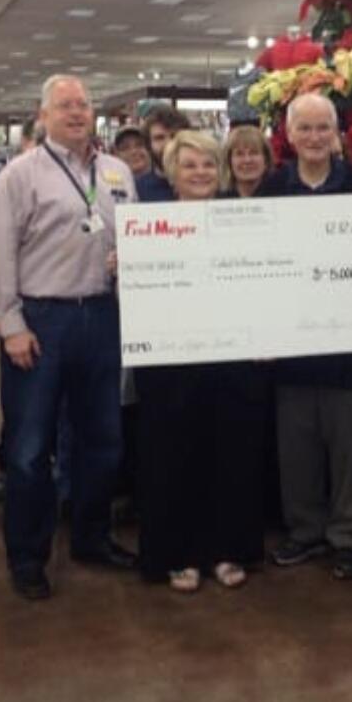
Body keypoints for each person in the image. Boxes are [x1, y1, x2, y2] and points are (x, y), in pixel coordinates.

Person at [0, 74, 138, 600]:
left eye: (84, 104)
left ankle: (91, 538)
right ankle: (27, 556)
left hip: (102, 315)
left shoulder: (116, 172)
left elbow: (133, 232)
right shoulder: (20, 176)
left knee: (103, 440)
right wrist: (11, 325)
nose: (76, 113)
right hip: (41, 321)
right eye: (64, 106)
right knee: (30, 449)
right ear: (42, 115)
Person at [259, 92, 352, 580]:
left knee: (347, 448)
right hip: (291, 348)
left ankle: (344, 536)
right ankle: (304, 531)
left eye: (324, 128)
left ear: (336, 133)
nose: (315, 138)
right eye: (306, 129)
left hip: (348, 347)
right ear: (290, 135)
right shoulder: (273, 190)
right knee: (296, 448)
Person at [130, 131, 267, 592]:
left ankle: (228, 550)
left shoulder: (245, 219)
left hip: (233, 358)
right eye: (190, 165)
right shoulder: (148, 227)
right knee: (172, 457)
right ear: (172, 172)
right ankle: (178, 553)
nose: (201, 173)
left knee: (232, 455)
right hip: (170, 365)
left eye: (208, 164)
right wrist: (124, 266)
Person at [135, 104, 191, 203]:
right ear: (149, 145)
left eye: (174, 136)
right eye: (159, 138)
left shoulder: (203, 183)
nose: (169, 144)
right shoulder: (137, 189)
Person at [219, 124, 272, 199]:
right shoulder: (219, 200)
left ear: (266, 160)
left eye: (254, 153)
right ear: (229, 161)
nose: (247, 160)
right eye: (239, 154)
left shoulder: (283, 195)